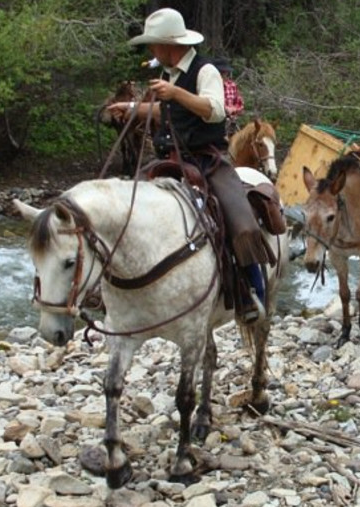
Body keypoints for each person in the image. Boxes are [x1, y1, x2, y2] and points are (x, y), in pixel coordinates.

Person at [107, 8, 272, 322]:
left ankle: (253, 292)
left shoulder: (204, 70)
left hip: (207, 158)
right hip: (170, 158)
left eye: (154, 45)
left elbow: (215, 110)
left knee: (239, 218)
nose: (152, 52)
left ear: (170, 44)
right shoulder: (169, 74)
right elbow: (166, 114)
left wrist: (176, 92)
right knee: (127, 206)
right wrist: (129, 108)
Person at [213, 57, 244, 137]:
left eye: (225, 72)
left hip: (232, 123)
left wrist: (233, 109)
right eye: (221, 72)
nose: (224, 75)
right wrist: (224, 108)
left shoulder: (232, 86)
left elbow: (240, 104)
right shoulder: (210, 86)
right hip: (214, 124)